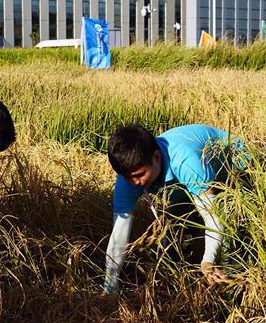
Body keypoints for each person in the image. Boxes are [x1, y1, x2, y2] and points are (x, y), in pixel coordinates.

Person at [103, 123, 246, 295]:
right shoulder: (128, 180)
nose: (135, 183)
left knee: (229, 245)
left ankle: (236, 293)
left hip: (237, 169)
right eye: (128, 178)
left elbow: (214, 217)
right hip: (185, 187)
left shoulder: (186, 161)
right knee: (175, 236)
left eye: (140, 175)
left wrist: (208, 261)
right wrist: (109, 289)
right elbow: (119, 236)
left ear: (156, 157)